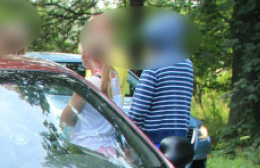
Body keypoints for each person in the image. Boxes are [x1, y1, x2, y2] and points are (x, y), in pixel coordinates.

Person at [127, 13, 195, 148]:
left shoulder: (155, 64)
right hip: (179, 138)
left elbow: (139, 110)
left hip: (152, 140)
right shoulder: (187, 64)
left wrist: (130, 137)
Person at [60, 39, 122, 155]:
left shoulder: (90, 82)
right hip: (110, 150)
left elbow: (65, 120)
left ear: (86, 54)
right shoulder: (114, 79)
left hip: (87, 150)